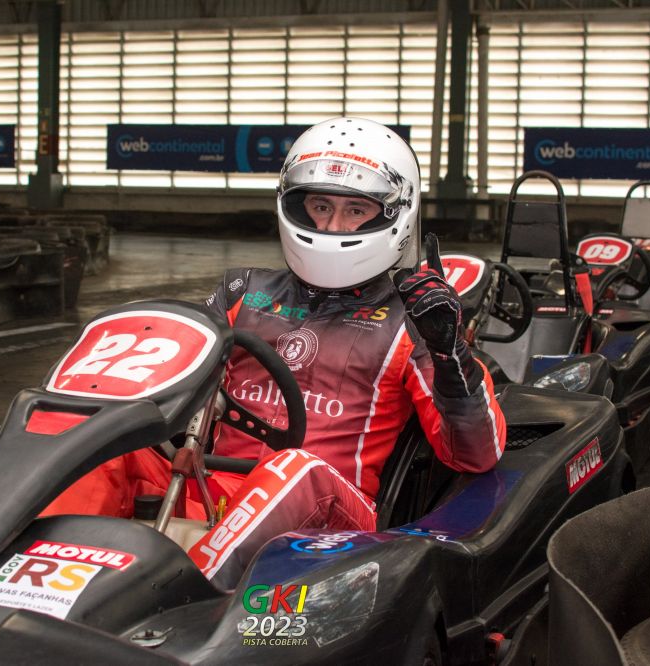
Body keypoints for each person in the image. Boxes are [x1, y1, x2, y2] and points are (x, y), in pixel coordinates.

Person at [43, 117, 506, 589]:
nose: (331, 225)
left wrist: (449, 354)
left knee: (293, 466)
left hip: (334, 516)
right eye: (320, 205)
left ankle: (177, 597)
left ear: (395, 214)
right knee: (87, 427)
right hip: (216, 489)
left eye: (355, 211)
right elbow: (163, 387)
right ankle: (28, 584)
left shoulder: (413, 320)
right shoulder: (243, 291)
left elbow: (475, 455)